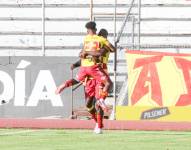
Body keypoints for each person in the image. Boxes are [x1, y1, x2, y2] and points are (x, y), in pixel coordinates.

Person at [56, 27, 116, 134]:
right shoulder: (95, 44)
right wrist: (76, 63)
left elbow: (98, 53)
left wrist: (85, 52)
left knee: (98, 102)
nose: (101, 38)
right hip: (89, 78)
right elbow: (86, 58)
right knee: (88, 104)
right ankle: (97, 122)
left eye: (103, 37)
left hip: (99, 76)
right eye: (100, 36)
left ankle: (99, 125)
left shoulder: (105, 47)